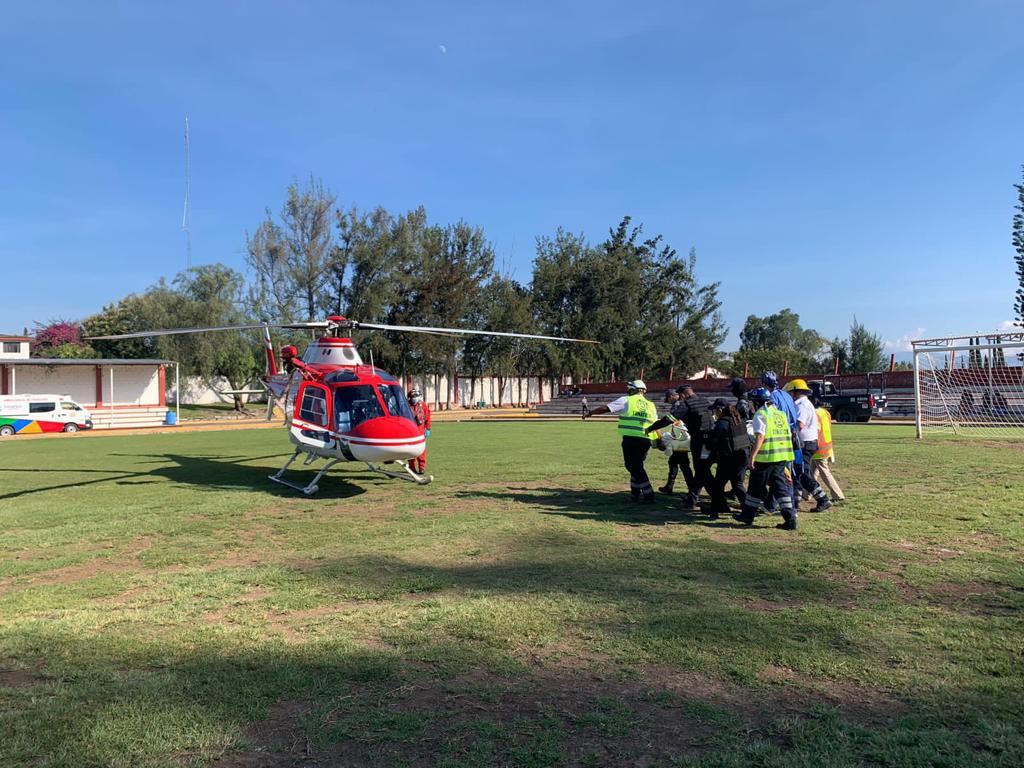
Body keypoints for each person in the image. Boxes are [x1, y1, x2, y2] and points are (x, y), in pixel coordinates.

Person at [733, 388, 798, 530]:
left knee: (755, 487)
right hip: (782, 457)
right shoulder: (780, 414)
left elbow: (760, 437)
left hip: (766, 458)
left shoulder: (761, 414)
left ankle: (747, 516)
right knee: (781, 489)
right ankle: (790, 518)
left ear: (757, 402)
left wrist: (752, 456)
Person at [584, 379, 658, 503]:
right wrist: (658, 440)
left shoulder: (626, 400)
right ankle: (635, 493)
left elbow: (607, 408)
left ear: (632, 389)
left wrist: (591, 412)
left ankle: (648, 493)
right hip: (646, 439)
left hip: (631, 438)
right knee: (637, 466)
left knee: (633, 466)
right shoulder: (651, 405)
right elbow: (655, 424)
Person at [646, 385, 712, 509]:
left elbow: (668, 420)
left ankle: (705, 498)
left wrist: (652, 428)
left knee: (698, 470)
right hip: (708, 439)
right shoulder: (705, 401)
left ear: (681, 395)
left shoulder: (684, 405)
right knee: (698, 469)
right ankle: (691, 496)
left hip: (692, 440)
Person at [783, 379, 833, 512]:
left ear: (795, 392)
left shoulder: (802, 405)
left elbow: (800, 424)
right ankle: (795, 501)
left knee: (802, 474)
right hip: (807, 443)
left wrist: (785, 427)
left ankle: (822, 499)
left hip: (804, 444)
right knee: (797, 473)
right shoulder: (804, 403)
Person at [761, 371, 802, 511]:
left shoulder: (770, 397)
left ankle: (782, 505)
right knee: (788, 470)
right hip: (792, 435)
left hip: (780, 436)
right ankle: (778, 503)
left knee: (781, 472)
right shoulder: (786, 395)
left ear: (765, 384)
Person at [707, 398, 750, 520]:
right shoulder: (738, 420)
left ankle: (714, 512)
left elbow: (712, 442)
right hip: (742, 457)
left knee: (718, 486)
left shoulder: (722, 423)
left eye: (715, 410)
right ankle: (748, 510)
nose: (715, 413)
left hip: (729, 459)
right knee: (738, 485)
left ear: (720, 410)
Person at [650, 389, 695, 498]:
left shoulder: (678, 405)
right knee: (674, 462)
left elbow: (670, 421)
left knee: (684, 465)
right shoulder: (681, 404)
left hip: (680, 440)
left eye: (669, 398)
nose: (668, 401)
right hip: (680, 439)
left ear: (673, 396)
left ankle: (692, 490)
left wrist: (653, 428)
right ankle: (669, 487)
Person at [811, 396, 845, 502]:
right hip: (827, 444)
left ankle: (837, 495)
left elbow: (816, 430)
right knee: (812, 471)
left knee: (824, 471)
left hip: (818, 447)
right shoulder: (825, 412)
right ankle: (806, 493)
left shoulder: (814, 414)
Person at [408, 388, 431, 475]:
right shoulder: (406, 405)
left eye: (415, 396)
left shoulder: (423, 405)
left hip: (420, 431)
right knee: (411, 451)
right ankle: (412, 467)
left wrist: (428, 428)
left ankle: (421, 467)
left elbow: (428, 417)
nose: (414, 398)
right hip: (410, 431)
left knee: (421, 451)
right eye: (412, 396)